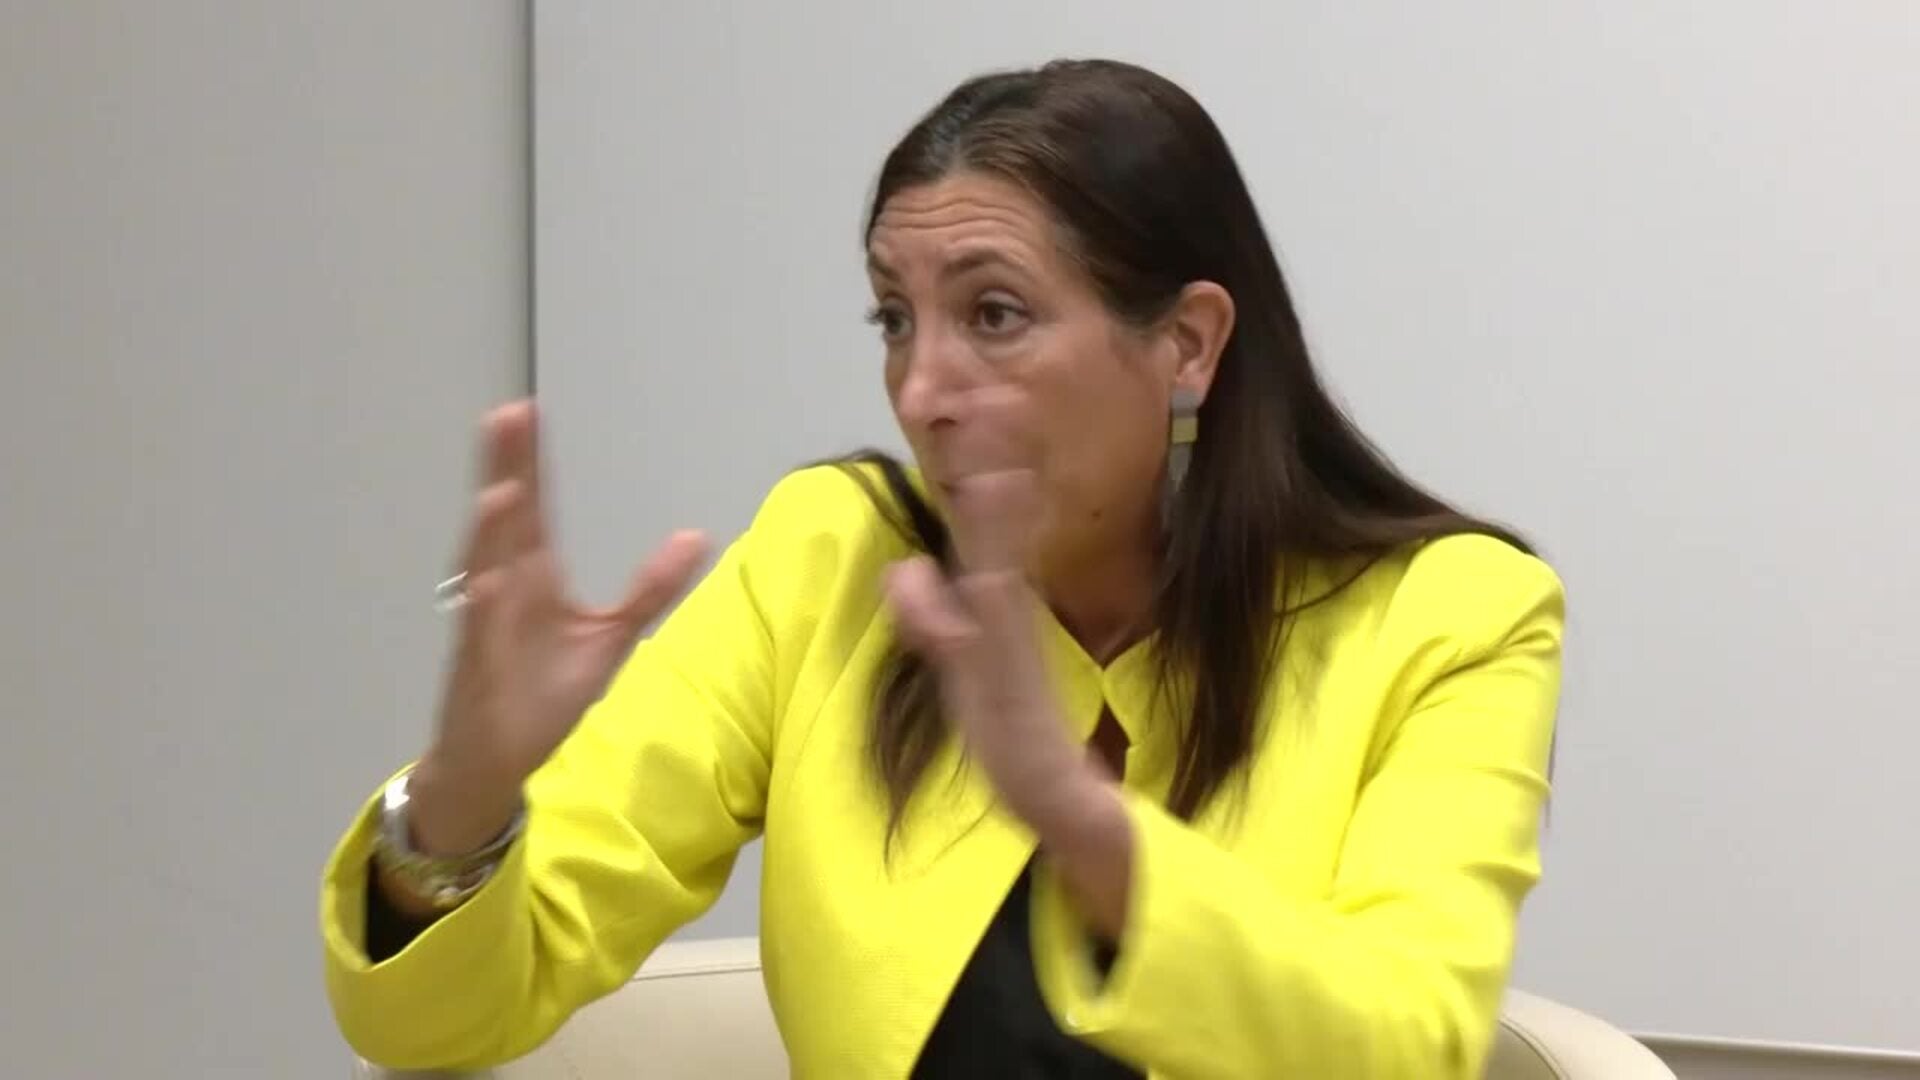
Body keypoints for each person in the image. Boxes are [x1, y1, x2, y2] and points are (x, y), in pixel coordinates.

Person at [320, 58, 1564, 1079]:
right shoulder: (835, 560)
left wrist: (1077, 820)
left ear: (1187, 344)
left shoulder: (1451, 620)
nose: (920, 392)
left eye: (994, 315)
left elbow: (1406, 1046)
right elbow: (434, 1025)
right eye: (893, 318)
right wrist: (464, 796)